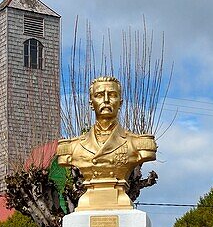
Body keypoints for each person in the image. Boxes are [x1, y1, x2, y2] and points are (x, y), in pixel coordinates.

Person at [55, 76, 157, 211]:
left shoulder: (138, 143)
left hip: (121, 198)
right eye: (99, 95)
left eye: (112, 95)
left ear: (120, 102)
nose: (106, 100)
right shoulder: (72, 147)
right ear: (91, 103)